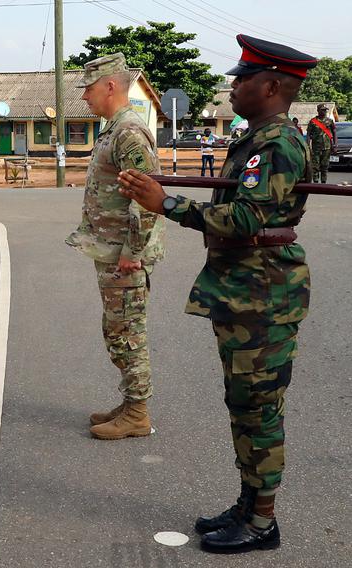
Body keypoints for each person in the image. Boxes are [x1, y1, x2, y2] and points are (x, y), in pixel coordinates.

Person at [118, 34, 317, 554]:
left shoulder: (276, 144)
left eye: (243, 78)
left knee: (259, 410)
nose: (232, 85)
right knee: (243, 404)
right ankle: (249, 504)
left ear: (271, 86)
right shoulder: (252, 140)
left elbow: (247, 218)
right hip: (243, 293)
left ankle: (262, 522)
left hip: (264, 296)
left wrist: (168, 205)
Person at [65, 53, 166, 440]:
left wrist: (132, 252)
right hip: (111, 249)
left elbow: (149, 197)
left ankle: (138, 412)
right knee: (117, 329)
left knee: (127, 331)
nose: (85, 97)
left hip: (124, 253)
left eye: (88, 89)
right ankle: (129, 403)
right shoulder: (114, 128)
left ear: (110, 86)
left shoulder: (128, 132)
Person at [307, 102, 335, 183]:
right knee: (315, 166)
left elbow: (334, 132)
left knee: (325, 166)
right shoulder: (313, 121)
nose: (324, 112)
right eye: (322, 110)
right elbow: (308, 134)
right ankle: (315, 182)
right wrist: (308, 145)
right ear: (318, 110)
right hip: (316, 148)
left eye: (325, 110)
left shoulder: (330, 121)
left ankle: (323, 182)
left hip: (327, 147)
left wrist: (335, 144)